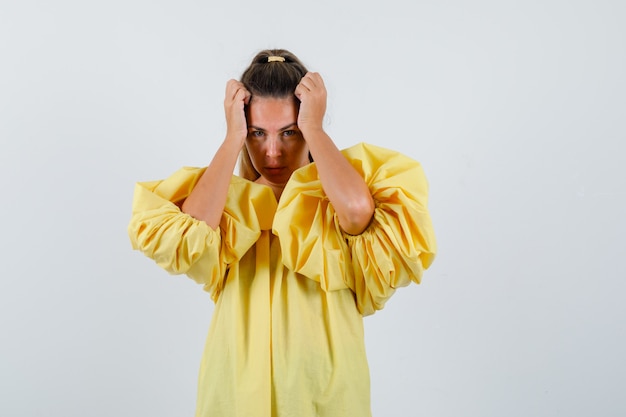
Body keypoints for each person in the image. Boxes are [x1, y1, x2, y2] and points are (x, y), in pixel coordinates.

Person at [128, 48, 437, 417]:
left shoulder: (334, 198)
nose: (272, 152)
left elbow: (357, 212)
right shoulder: (225, 203)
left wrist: (315, 129)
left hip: (325, 390)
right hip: (236, 389)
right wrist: (231, 139)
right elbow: (187, 238)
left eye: (289, 132)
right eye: (258, 133)